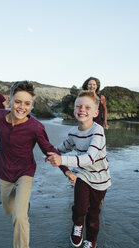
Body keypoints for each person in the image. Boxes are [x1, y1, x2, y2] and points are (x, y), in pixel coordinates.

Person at [0, 81, 75, 248]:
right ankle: (22, 204)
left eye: (27, 103)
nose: (21, 107)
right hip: (4, 172)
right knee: (8, 210)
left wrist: (66, 170)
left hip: (25, 172)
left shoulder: (36, 127)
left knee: (19, 216)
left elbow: (49, 149)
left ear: (32, 105)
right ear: (9, 101)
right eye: (17, 102)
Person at [46, 91, 111, 248]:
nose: (82, 109)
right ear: (74, 110)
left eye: (87, 107)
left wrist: (62, 160)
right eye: (78, 106)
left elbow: (89, 158)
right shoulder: (74, 132)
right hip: (83, 174)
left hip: (100, 179)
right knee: (80, 207)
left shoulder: (98, 132)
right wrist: (52, 152)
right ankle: (77, 225)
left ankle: (91, 239)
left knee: (94, 215)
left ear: (96, 112)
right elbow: (63, 147)